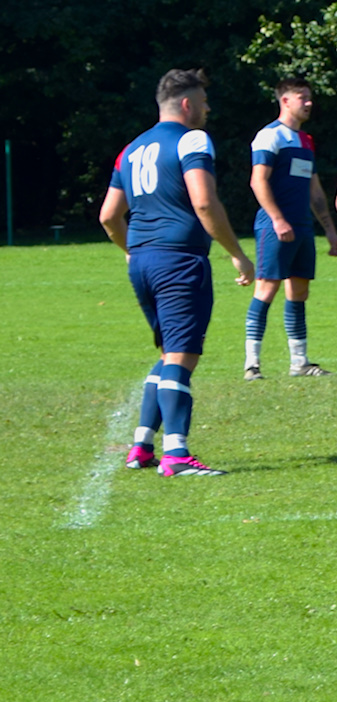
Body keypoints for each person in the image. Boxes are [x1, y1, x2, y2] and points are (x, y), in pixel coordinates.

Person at [98, 69, 254, 476]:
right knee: (182, 357)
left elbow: (109, 216)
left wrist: (132, 249)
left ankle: (142, 445)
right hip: (180, 260)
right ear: (186, 104)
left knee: (170, 353)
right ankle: (177, 454)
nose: (207, 108)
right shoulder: (192, 139)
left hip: (145, 261)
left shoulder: (130, 149)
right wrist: (236, 253)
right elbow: (204, 203)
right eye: (202, 100)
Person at [243, 78, 337, 379]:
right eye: (302, 97)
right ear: (285, 101)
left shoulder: (306, 140)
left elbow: (314, 188)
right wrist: (277, 218)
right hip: (276, 226)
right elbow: (257, 180)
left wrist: (329, 229)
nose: (309, 103)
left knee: (299, 291)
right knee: (266, 288)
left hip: (302, 226)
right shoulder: (269, 136)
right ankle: (252, 364)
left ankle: (299, 363)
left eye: (310, 97)